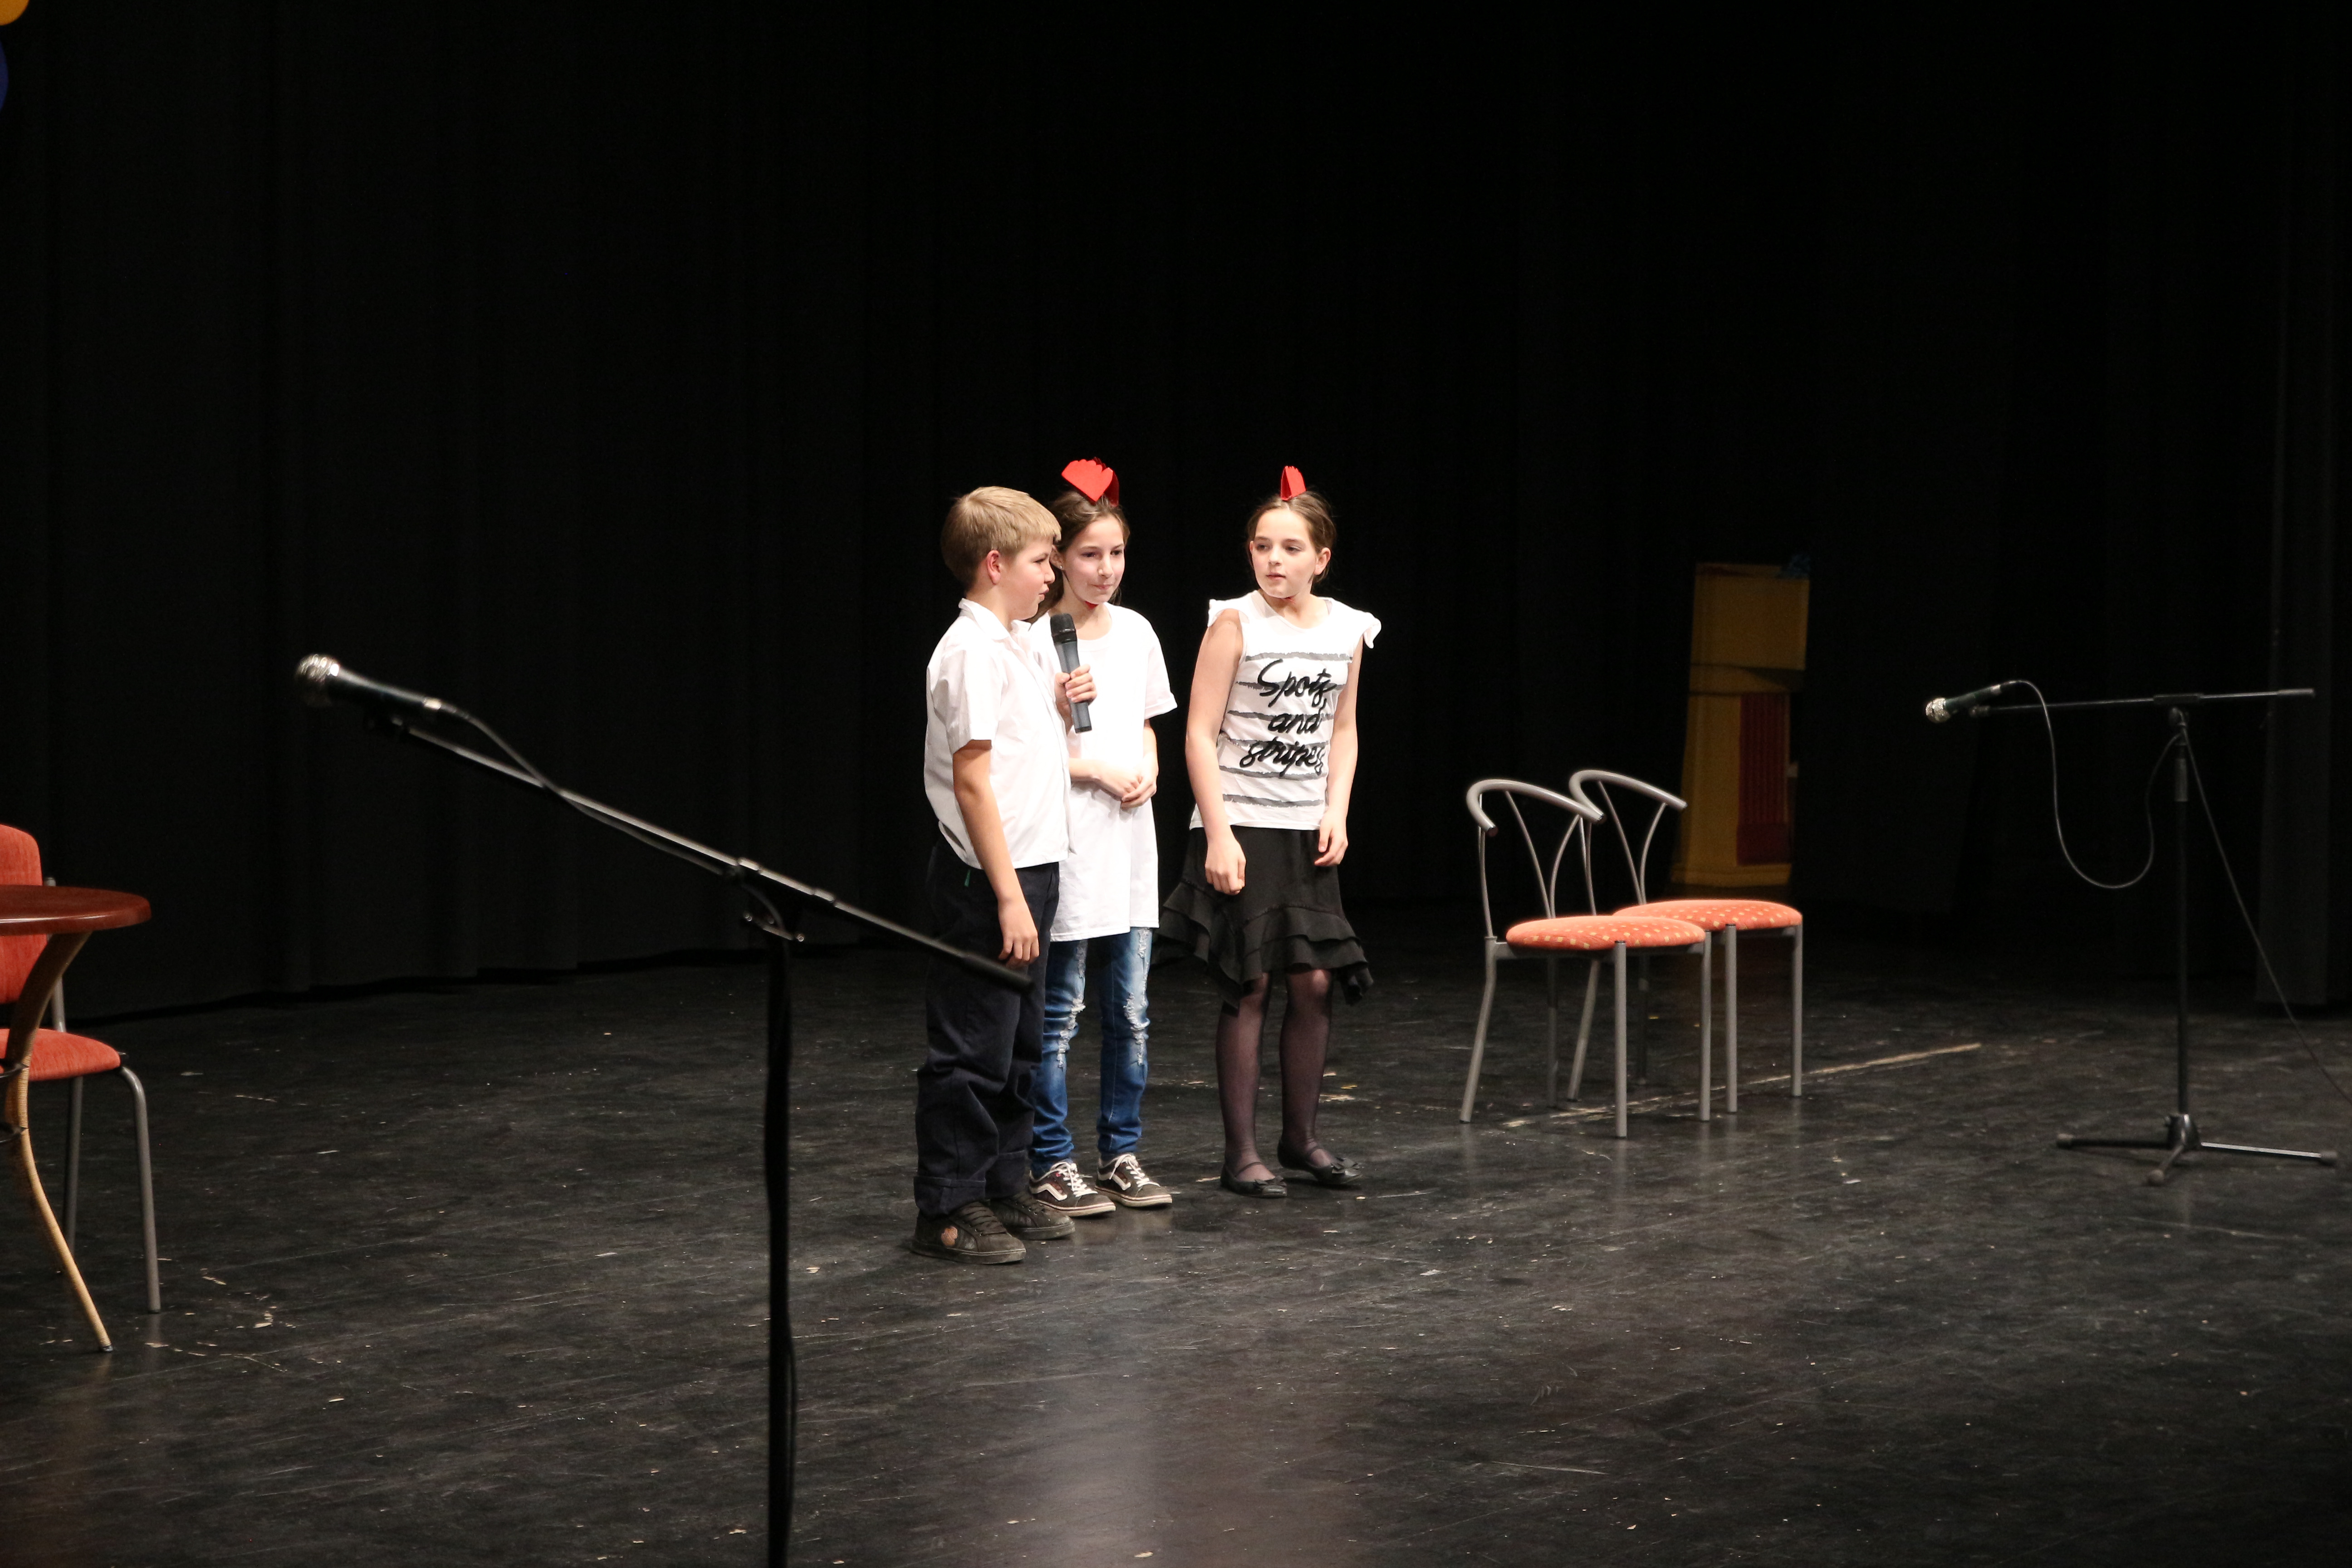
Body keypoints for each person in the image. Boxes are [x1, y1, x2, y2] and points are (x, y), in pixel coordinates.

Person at [1161, 466, 1380, 1199]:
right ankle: (1241, 1154)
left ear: (1322, 557)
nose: (1274, 560)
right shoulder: (1235, 623)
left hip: (1303, 826)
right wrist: (1219, 835)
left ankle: (1301, 1138)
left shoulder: (1349, 629)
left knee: (1313, 981)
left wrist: (1337, 809)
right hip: (1241, 822)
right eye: (1262, 546)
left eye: (1290, 548)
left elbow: (1344, 729)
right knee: (1249, 981)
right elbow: (1199, 732)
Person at [912, 485, 1097, 1264]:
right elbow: (973, 782)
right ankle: (948, 1206)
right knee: (973, 1046)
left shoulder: (1017, 642)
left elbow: (1021, 747)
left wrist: (1056, 701)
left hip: (1032, 869)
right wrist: (1009, 896)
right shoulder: (969, 653)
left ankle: (1002, 1181)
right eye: (1042, 562)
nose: (1053, 576)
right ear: (995, 564)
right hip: (988, 880)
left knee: (1021, 1040)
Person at [1019, 459, 1178, 1218]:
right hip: (1070, 842)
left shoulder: (1138, 631)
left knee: (1131, 1012)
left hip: (1129, 843)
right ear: (1057, 557)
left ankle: (1121, 1152)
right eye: (1089, 554)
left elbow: (1144, 724)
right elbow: (1023, 752)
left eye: (1116, 553)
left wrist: (1148, 766)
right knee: (1060, 1014)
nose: (1106, 569)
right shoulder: (1034, 639)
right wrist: (1092, 767)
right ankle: (1051, 1160)